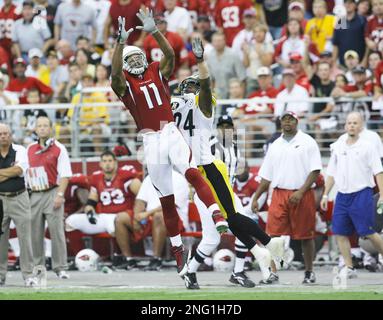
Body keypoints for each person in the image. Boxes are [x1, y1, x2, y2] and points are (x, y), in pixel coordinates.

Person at [110, 8, 228, 277]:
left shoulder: (154, 70)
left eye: (140, 54)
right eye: (134, 56)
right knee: (167, 201)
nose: (139, 58)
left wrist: (154, 32)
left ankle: (216, 215)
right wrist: (120, 45)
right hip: (150, 140)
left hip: (170, 131)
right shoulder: (123, 82)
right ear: (126, 62)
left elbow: (171, 56)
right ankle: (177, 254)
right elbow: (115, 74)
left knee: (192, 172)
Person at [172, 38, 284, 289]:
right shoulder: (184, 108)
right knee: (231, 220)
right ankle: (267, 245)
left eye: (194, 87)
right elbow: (204, 86)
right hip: (202, 172)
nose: (192, 91)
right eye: (189, 88)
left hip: (199, 172)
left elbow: (205, 87)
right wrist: (200, 62)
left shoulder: (191, 106)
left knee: (225, 227)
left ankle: (250, 258)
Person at [252, 111, 323, 284]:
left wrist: (301, 191)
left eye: (291, 119)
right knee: (272, 236)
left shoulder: (307, 141)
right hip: (278, 193)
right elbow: (266, 176)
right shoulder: (275, 144)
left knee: (306, 236)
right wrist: (256, 197)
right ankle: (272, 273)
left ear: (297, 121)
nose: (287, 122)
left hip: (303, 193)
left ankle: (309, 272)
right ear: (280, 122)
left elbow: (315, 170)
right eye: (284, 119)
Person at [320, 112, 383, 278]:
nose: (352, 125)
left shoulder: (367, 146)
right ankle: (349, 267)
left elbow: (379, 171)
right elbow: (331, 172)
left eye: (355, 123)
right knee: (339, 232)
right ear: (345, 125)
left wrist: (382, 194)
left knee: (368, 231)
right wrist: (325, 194)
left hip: (362, 193)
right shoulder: (339, 145)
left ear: (361, 126)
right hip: (342, 195)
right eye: (349, 123)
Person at [66, 151, 143, 269]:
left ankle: (120, 257)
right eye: (104, 161)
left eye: (110, 161)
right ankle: (82, 258)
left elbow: (142, 197)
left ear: (116, 163)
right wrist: (90, 212)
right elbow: (91, 202)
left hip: (121, 216)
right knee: (70, 221)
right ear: (100, 164)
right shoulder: (97, 178)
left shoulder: (125, 176)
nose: (107, 164)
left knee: (115, 223)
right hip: (102, 216)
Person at [26, 116, 72, 279]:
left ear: (51, 128)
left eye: (46, 125)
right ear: (35, 129)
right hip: (35, 193)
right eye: (40, 126)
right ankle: (38, 267)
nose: (43, 128)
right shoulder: (29, 149)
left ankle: (60, 267)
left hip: (53, 191)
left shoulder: (59, 148)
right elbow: (25, 172)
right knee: (35, 233)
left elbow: (65, 175)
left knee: (56, 231)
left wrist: (60, 195)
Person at [0, 123, 36, 287]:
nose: (3, 136)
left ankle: (28, 275)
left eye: (6, 133)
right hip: (1, 198)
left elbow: (19, 170)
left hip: (19, 197)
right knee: (1, 240)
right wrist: (10, 171)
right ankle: (0, 275)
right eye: (1, 134)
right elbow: (13, 171)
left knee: (25, 238)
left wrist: (7, 172)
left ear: (11, 134)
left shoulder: (20, 150)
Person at [133, 170, 189, 271]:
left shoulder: (179, 179)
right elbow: (140, 200)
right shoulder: (149, 178)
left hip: (175, 219)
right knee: (122, 218)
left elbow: (170, 205)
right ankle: (127, 259)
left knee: (159, 216)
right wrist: (136, 217)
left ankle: (156, 259)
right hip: (151, 219)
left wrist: (147, 214)